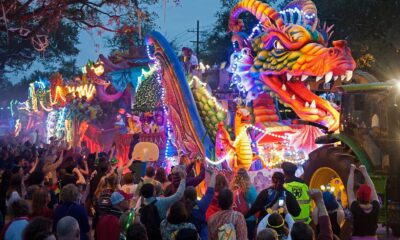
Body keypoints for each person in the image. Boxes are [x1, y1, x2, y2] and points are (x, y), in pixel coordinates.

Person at [139, 168, 186, 240]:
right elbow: (178, 195)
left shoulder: (141, 203)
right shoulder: (161, 202)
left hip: (146, 234)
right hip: (159, 234)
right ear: (154, 192)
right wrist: (183, 179)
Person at [347, 164, 380, 239]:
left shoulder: (355, 207)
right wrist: (365, 172)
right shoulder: (375, 207)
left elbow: (349, 190)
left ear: (358, 195)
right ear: (369, 196)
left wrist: (351, 172)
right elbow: (373, 189)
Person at [184, 168, 216, 240]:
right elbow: (210, 192)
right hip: (201, 236)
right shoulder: (201, 206)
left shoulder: (180, 207)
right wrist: (213, 175)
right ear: (195, 196)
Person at [230, 168, 258, 239]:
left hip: (235, 219)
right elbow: (256, 203)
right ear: (246, 176)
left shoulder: (232, 188)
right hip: (250, 219)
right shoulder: (250, 188)